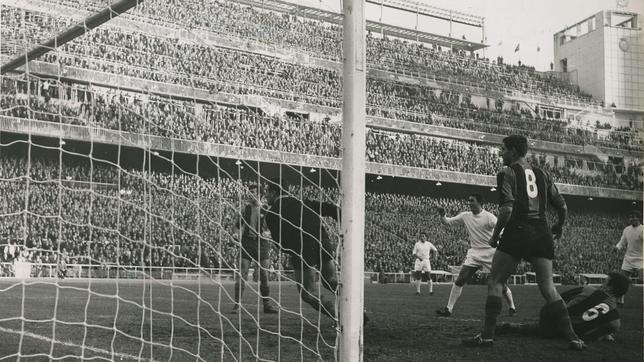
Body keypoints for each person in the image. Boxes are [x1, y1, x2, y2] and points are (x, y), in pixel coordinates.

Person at [462, 135, 585, 350]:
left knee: (496, 282)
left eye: (503, 149)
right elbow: (562, 206)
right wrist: (560, 226)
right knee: (548, 288)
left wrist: (495, 235)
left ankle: (487, 336)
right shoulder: (544, 173)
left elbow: (507, 208)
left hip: (518, 230)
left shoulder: (507, 172)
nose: (501, 153)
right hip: (543, 232)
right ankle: (573, 338)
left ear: (514, 151)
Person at [263, 179, 365, 322]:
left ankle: (343, 318)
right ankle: (358, 308)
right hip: (323, 240)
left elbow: (281, 244)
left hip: (303, 247)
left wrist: (293, 253)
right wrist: (348, 222)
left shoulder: (272, 213)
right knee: (330, 280)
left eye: (267, 193)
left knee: (308, 293)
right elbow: (329, 208)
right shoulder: (303, 202)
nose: (266, 196)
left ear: (274, 193)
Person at [435, 194, 516, 317]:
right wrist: (442, 216)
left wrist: (498, 237)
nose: (469, 203)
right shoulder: (465, 216)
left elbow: (502, 229)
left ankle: (512, 306)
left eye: (472, 201)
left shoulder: (489, 217)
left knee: (499, 282)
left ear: (480, 203)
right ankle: (448, 309)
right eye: (468, 200)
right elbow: (448, 223)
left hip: (490, 252)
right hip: (474, 253)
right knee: (461, 279)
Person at [496, 272, 630, 342]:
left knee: (538, 326)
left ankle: (512, 326)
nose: (602, 284)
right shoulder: (615, 321)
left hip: (555, 325)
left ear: (610, 287)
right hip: (574, 335)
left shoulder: (588, 290)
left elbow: (557, 298)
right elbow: (600, 333)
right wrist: (603, 336)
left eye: (605, 282)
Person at [232, 184, 278, 314]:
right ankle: (237, 305)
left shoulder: (267, 210)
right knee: (242, 274)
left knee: (264, 275)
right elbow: (236, 226)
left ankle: (266, 305)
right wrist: (235, 233)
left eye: (252, 192)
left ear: (260, 194)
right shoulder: (245, 209)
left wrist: (267, 234)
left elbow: (273, 229)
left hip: (262, 244)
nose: (249, 194)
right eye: (249, 192)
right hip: (247, 243)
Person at [614, 210, 643, 305]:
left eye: (635, 217)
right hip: (628, 258)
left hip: (641, 258)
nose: (633, 219)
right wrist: (617, 247)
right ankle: (620, 300)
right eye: (631, 217)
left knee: (642, 278)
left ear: (639, 218)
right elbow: (622, 242)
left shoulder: (642, 229)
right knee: (622, 280)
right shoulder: (626, 229)